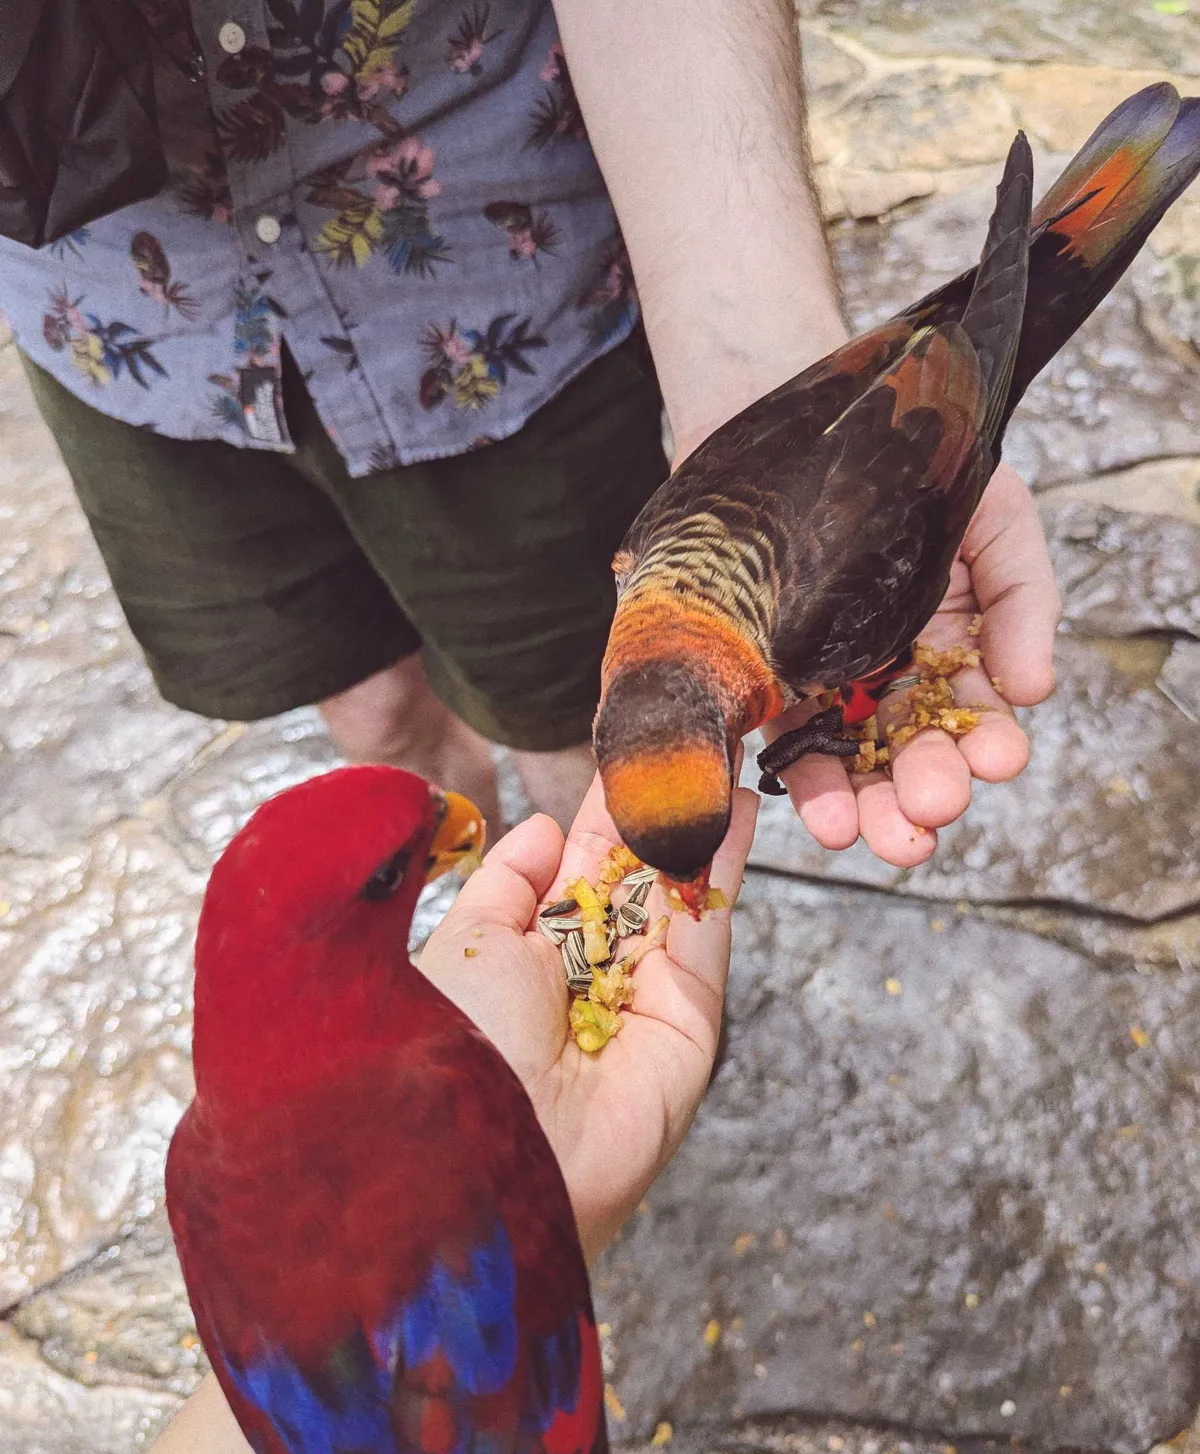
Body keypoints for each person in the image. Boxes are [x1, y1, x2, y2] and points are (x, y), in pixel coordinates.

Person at [0, 0, 1058, 858]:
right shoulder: (687, 589)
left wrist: (761, 354)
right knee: (366, 707)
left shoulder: (729, 603)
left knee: (545, 725)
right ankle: (457, 866)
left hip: (500, 312)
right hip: (120, 325)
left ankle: (564, 901)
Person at [23, 773, 760, 1454]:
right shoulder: (460, 1089)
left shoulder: (203, 1180)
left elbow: (313, 1445)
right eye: (386, 875)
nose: (457, 820)